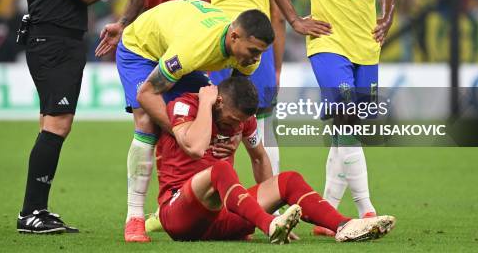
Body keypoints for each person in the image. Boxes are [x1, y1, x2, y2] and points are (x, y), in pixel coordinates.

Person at [263, 0, 399, 236]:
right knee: (344, 115)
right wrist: (294, 19)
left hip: (366, 47)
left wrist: (386, 16)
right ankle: (366, 211)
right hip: (328, 43)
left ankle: (328, 215)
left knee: (349, 127)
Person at [16, 0, 149, 234]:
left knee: (53, 123)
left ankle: (35, 211)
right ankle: (31, 213)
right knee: (57, 123)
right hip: (53, 42)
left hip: (58, 41)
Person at [157, 77, 396, 243]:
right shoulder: (185, 105)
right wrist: (206, 105)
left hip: (221, 220)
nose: (237, 127)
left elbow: (259, 158)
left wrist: (274, 202)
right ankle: (268, 224)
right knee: (220, 169)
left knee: (289, 180)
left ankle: (344, 226)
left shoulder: (243, 121)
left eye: (242, 122)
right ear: (218, 102)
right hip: (179, 216)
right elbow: (196, 148)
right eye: (232, 120)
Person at [113, 0, 273, 242]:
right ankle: (134, 218)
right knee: (148, 122)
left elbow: (233, 99)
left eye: (260, 52)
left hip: (177, 49)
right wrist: (180, 131)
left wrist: (233, 135)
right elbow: (145, 93)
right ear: (234, 37)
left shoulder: (249, 56)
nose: (255, 59)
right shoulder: (193, 48)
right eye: (253, 51)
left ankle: (185, 204)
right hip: (141, 50)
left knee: (206, 114)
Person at [207, 0, 285, 178]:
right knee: (263, 125)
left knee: (214, 123)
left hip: (214, 41)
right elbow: (277, 16)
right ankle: (272, 207)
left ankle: (213, 202)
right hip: (256, 42)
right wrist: (275, 67)